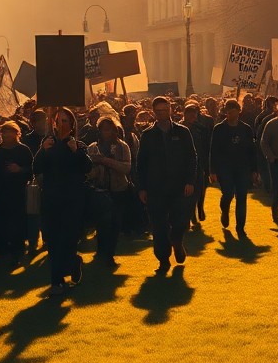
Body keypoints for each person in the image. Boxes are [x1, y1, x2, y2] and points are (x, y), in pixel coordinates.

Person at [33, 109, 92, 296]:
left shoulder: (78, 145)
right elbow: (37, 168)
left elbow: (87, 167)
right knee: (53, 240)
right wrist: (43, 152)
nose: (62, 124)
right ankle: (64, 272)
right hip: (51, 198)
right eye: (58, 121)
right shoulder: (48, 144)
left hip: (72, 199)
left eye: (65, 121)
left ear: (72, 124)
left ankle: (60, 278)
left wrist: (76, 152)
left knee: (67, 239)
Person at [136, 97, 198, 274]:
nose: (162, 114)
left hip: (179, 186)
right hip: (156, 188)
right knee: (159, 225)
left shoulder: (183, 132)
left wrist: (190, 181)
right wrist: (141, 187)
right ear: (153, 112)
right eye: (158, 111)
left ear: (170, 110)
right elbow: (141, 163)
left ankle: (177, 241)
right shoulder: (148, 135)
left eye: (165, 110)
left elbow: (192, 158)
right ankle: (163, 259)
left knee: (179, 221)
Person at [209, 99, 259, 237]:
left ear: (239, 111)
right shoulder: (219, 129)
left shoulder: (246, 129)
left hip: (242, 167)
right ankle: (225, 210)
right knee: (228, 194)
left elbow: (251, 151)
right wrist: (212, 171)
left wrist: (254, 170)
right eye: (228, 111)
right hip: (225, 168)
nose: (230, 114)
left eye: (233, 111)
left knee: (241, 197)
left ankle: (240, 227)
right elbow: (213, 150)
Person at [86, 116, 132, 265]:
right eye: (103, 129)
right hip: (99, 189)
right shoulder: (93, 147)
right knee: (102, 223)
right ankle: (101, 251)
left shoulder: (122, 146)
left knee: (115, 223)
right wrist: (95, 165)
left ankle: (110, 253)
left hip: (118, 189)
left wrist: (106, 161)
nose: (106, 132)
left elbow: (126, 168)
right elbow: (87, 171)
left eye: (109, 129)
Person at [0, 120, 33, 256]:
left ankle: (17, 244)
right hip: (0, 191)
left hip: (17, 191)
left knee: (17, 219)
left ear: (16, 133)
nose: (6, 135)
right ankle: (1, 245)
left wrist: (20, 169)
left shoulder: (23, 150)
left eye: (9, 132)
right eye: (4, 132)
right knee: (0, 218)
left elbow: (31, 170)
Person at [184, 103, 212, 227]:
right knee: (186, 192)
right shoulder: (178, 128)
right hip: (183, 165)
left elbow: (207, 145)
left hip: (199, 164)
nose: (192, 117)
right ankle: (190, 215)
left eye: (194, 115)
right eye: (189, 115)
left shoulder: (200, 129)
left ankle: (197, 210)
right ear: (184, 115)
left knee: (199, 190)